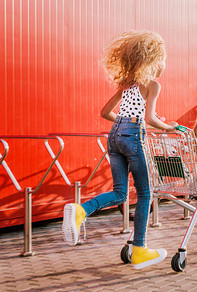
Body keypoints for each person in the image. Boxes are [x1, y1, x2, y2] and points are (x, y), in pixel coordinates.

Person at [62, 30, 176, 270]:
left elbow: (105, 113)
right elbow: (150, 117)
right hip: (133, 136)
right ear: (154, 63)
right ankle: (140, 250)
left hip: (114, 136)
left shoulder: (128, 84)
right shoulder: (153, 85)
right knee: (145, 193)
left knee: (120, 193)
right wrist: (169, 127)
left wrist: (125, 125)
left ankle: (81, 210)